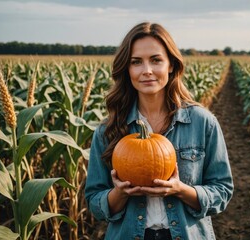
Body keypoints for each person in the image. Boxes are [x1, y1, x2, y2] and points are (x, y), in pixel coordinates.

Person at [85, 22, 233, 240]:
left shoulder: (202, 122)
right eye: (136, 62)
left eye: (156, 60)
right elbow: (94, 202)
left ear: (171, 65)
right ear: (127, 68)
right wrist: (119, 194)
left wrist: (180, 190)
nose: (147, 71)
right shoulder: (108, 129)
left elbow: (222, 190)